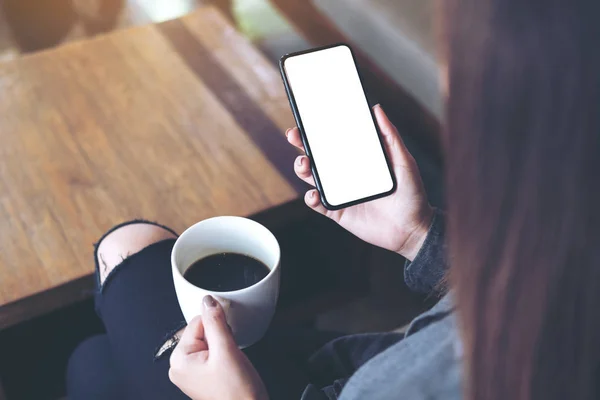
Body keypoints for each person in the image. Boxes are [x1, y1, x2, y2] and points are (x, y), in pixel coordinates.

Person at [67, 0, 600, 399]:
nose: (445, 80)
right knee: (92, 364)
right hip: (343, 367)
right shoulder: (569, 256)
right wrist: (420, 236)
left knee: (123, 260)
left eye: (455, 59)